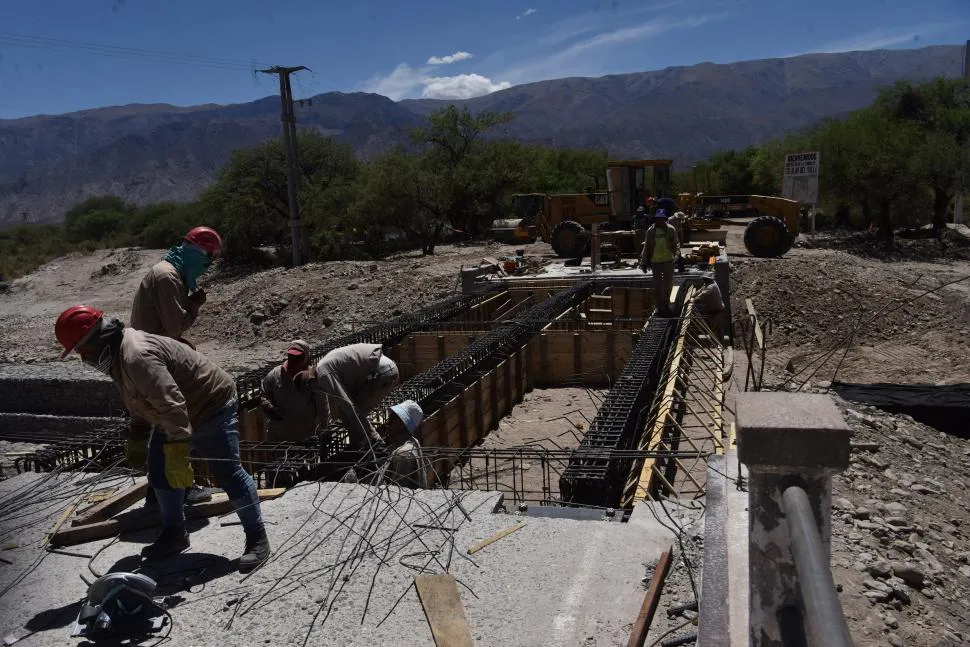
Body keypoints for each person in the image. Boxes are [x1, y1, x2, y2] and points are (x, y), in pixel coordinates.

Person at [55, 305, 271, 571]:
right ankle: (175, 533)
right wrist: (137, 433)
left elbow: (172, 404)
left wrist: (179, 451)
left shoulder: (137, 356)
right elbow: (143, 399)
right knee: (159, 471)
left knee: (228, 473)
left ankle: (257, 537)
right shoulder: (118, 355)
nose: (84, 359)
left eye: (83, 351)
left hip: (210, 404)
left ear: (96, 340)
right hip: (177, 412)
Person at [127, 226, 223, 508]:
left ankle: (158, 493)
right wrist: (194, 306)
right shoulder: (168, 277)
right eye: (207, 259)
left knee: (164, 426)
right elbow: (175, 326)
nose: (207, 266)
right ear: (197, 253)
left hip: (152, 359)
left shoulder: (170, 273)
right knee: (176, 425)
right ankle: (178, 490)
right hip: (155, 363)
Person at [299, 343, 400, 455]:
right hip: (383, 369)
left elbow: (347, 404)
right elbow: (324, 408)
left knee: (350, 413)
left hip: (381, 373)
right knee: (346, 415)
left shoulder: (323, 374)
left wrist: (372, 435)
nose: (315, 393)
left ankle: (374, 445)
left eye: (312, 392)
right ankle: (361, 445)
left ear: (310, 383)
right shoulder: (319, 372)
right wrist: (324, 430)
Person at [260, 340, 318, 442]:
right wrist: (269, 407)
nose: (293, 360)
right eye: (291, 356)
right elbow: (263, 394)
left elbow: (323, 403)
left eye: (297, 357)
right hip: (280, 434)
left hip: (306, 434)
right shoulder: (275, 374)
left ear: (305, 357)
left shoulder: (313, 376)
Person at [640, 209, 680, 317]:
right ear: (655, 219)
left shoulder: (671, 229)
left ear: (665, 219)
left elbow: (676, 244)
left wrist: (676, 257)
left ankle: (666, 306)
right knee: (657, 286)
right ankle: (659, 307)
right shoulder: (651, 231)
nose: (660, 221)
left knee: (668, 285)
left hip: (668, 261)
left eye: (662, 219)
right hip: (656, 262)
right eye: (658, 219)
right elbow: (647, 247)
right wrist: (644, 262)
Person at [382, 400, 428, 489]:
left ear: (403, 424)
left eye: (393, 419)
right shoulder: (413, 441)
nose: (388, 422)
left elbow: (395, 491)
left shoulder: (403, 454)